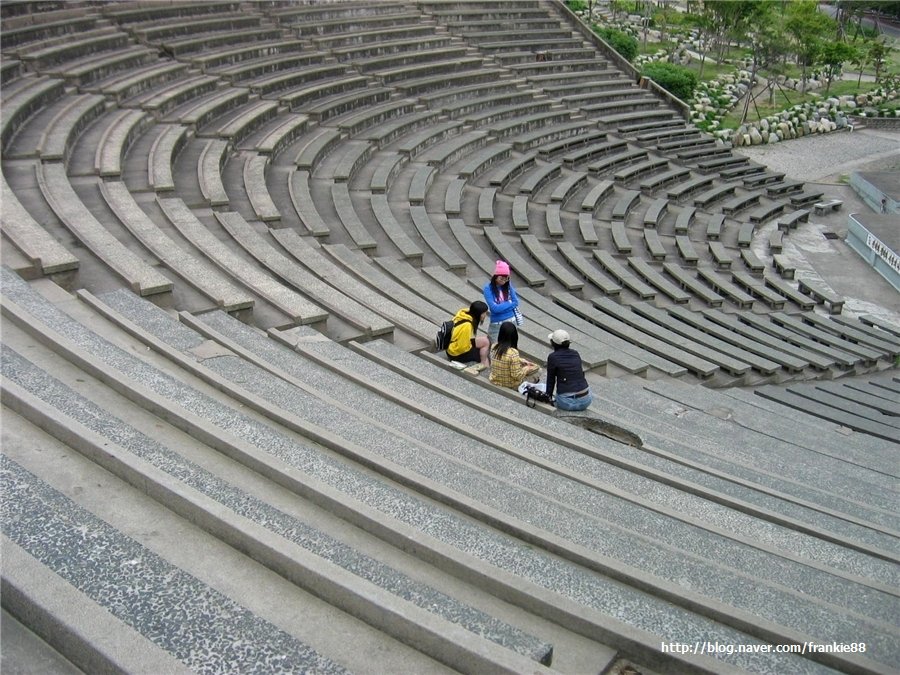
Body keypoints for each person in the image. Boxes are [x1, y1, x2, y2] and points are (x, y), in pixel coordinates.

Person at [544, 329, 592, 411]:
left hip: (567, 402)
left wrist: (547, 398)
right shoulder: (575, 353)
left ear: (553, 343)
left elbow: (551, 380)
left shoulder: (553, 357)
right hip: (586, 400)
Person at [489, 322, 540, 389]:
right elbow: (517, 376)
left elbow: (505, 358)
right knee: (539, 371)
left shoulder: (494, 346)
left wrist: (521, 360)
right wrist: (527, 368)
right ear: (514, 336)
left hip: (494, 380)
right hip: (510, 385)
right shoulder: (513, 353)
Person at [483, 260, 521, 344]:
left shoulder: (508, 285)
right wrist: (509, 303)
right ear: (495, 276)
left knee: (511, 346)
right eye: (501, 278)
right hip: (497, 323)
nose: (504, 281)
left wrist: (502, 306)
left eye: (506, 279)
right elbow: (494, 309)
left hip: (511, 321)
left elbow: (516, 302)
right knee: (495, 348)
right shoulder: (488, 288)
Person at [446, 300, 490, 370]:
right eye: (484, 313)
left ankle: (483, 362)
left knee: (486, 341)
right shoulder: (467, 326)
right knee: (485, 357)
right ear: (478, 314)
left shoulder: (464, 314)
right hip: (455, 353)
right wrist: (473, 348)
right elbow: (462, 347)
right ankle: (484, 365)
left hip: (452, 345)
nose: (485, 315)